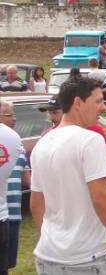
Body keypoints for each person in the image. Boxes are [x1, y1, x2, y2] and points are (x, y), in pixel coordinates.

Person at [30, 77, 106, 274]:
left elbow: (36, 202)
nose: (103, 108)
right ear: (78, 103)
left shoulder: (41, 144)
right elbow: (101, 197)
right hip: (88, 257)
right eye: (98, 101)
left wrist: (45, 238)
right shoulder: (90, 140)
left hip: (48, 255)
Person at [0, 99, 26, 274]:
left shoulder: (14, 138)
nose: (14, 118)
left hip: (7, 212)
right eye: (10, 114)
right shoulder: (13, 138)